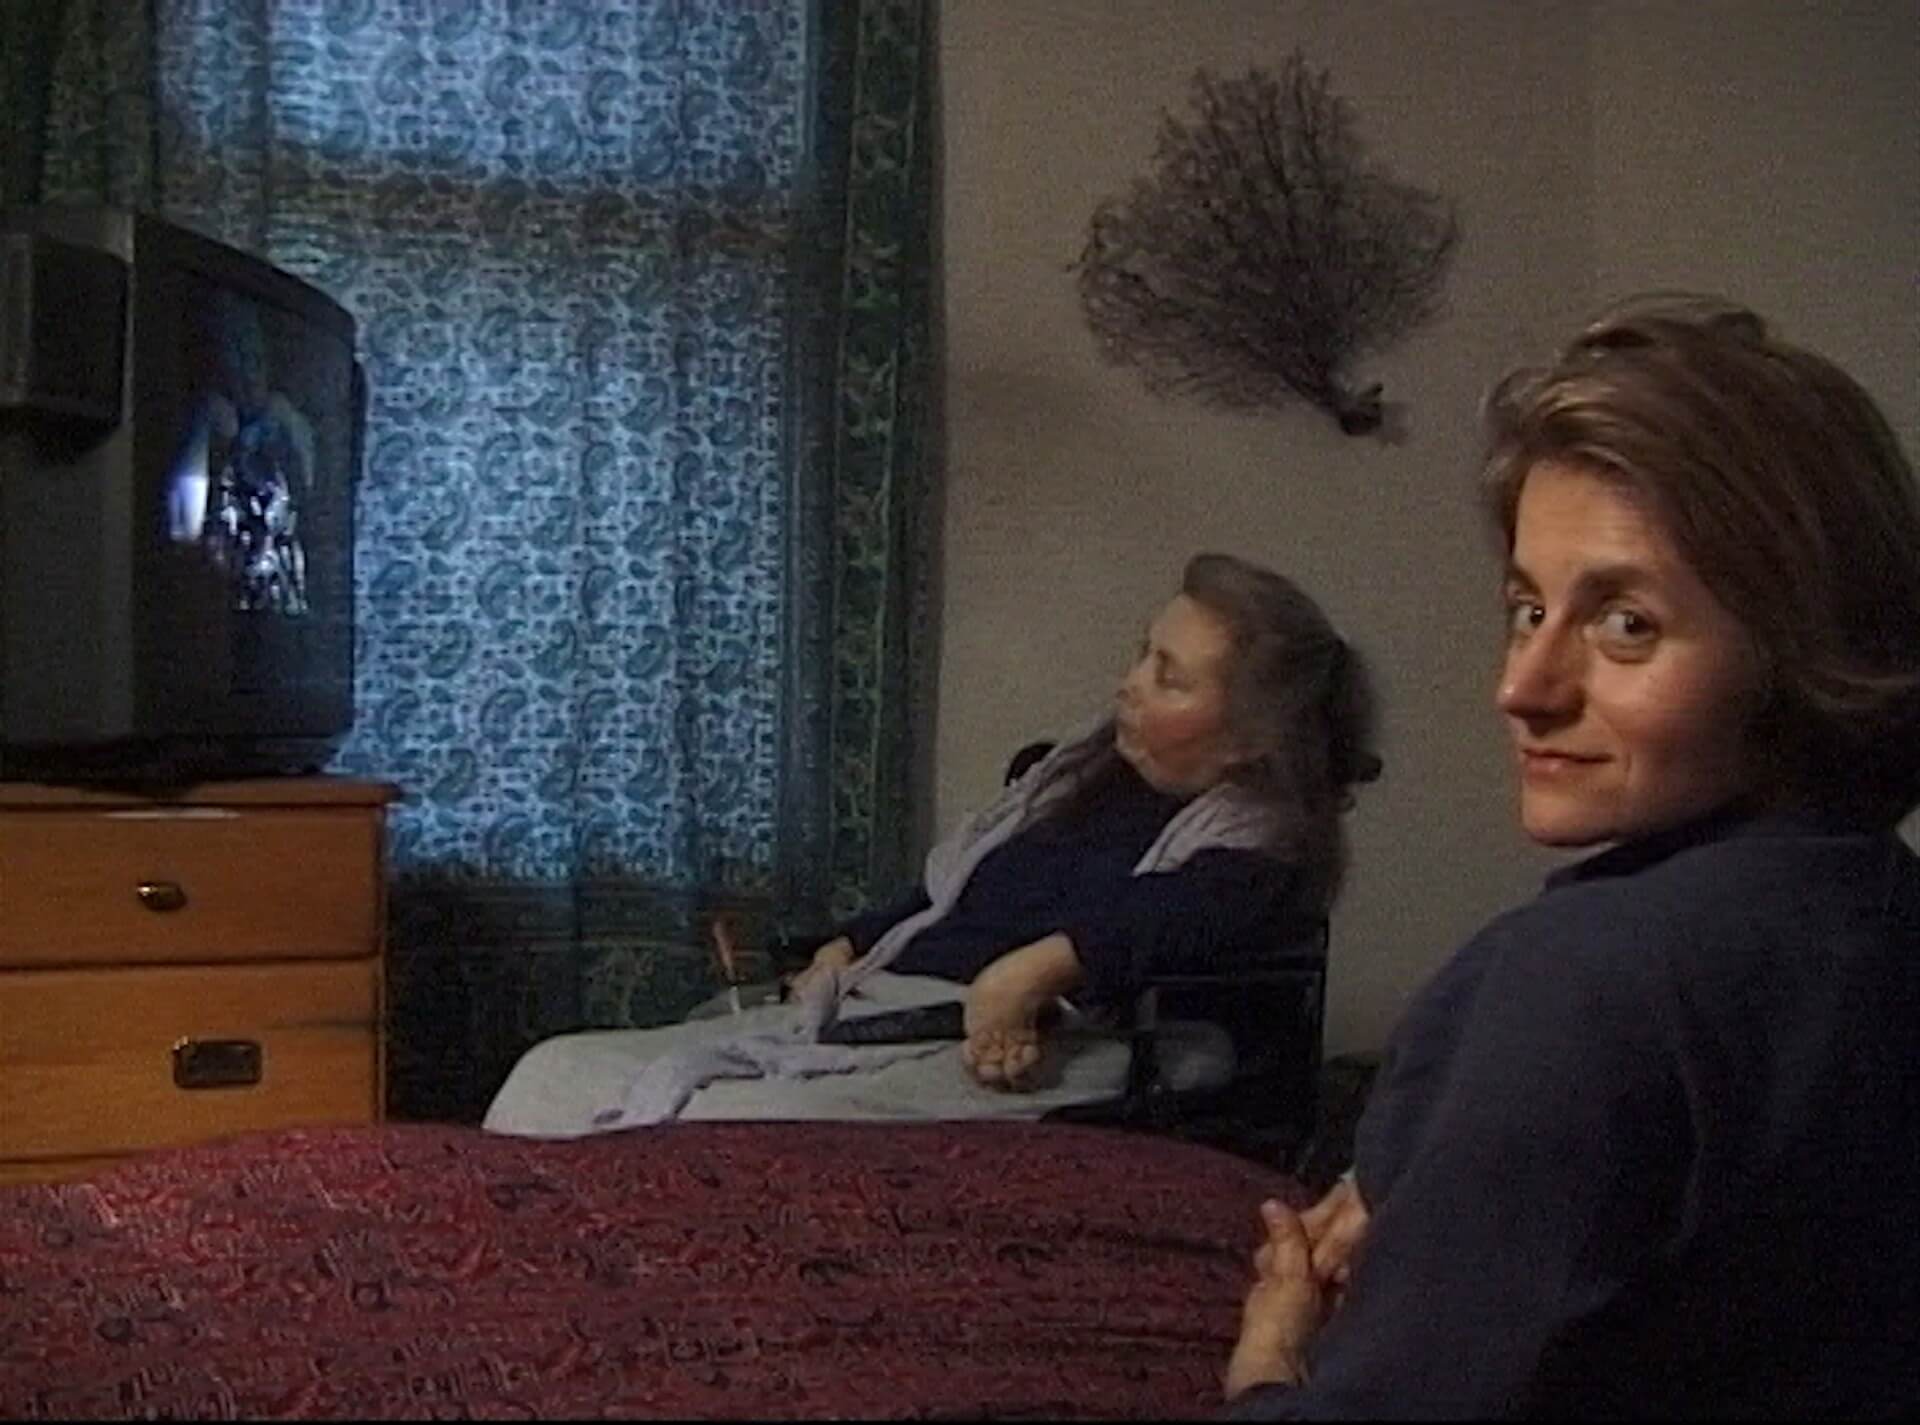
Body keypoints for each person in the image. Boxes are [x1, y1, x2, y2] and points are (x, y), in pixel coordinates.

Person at [1224, 295, 1920, 1418]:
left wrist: (1267, 1361)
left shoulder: (1589, 980)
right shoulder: (1871, 904)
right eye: (1527, 608)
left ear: (1802, 649)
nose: (1522, 688)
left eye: (1625, 623)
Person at [484, 551, 1380, 1134]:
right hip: (886, 999)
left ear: (1251, 737)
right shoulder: (1086, 771)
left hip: (1000, 1045)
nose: (1129, 684)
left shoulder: (1259, 848)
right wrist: (855, 938)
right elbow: (953, 902)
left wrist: (1025, 976)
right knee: (552, 1071)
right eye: (1143, 653)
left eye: (1169, 677)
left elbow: (1155, 926)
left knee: (708, 1127)